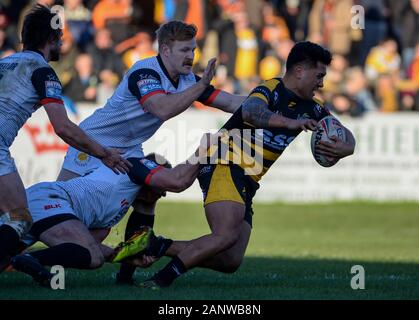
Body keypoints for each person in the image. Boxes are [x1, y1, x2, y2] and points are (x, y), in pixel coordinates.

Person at [136, 41, 356, 289]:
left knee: (230, 260)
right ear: (299, 71)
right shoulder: (271, 89)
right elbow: (251, 112)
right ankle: (160, 280)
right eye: (319, 76)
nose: (322, 83)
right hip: (224, 161)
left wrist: (346, 148)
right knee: (226, 234)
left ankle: (154, 244)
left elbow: (344, 133)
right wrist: (289, 123)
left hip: (248, 178)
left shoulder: (314, 108)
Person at [0, 5, 130, 272]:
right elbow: (63, 128)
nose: (63, 42)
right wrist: (104, 154)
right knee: (19, 219)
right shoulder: (43, 71)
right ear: (50, 39)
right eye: (60, 37)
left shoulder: (4, 62)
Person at [8, 133, 216, 287]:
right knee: (92, 256)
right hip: (50, 200)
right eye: (160, 189)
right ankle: (32, 259)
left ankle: (23, 258)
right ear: (151, 177)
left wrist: (124, 268)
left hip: (38, 205)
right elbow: (175, 182)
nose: (163, 195)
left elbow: (135, 239)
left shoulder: (121, 207)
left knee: (89, 252)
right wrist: (202, 152)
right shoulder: (133, 166)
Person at [57, 20, 246, 183]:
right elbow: (161, 109)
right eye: (185, 50)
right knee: (62, 201)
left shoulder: (189, 80)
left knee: (134, 198)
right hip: (94, 141)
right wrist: (202, 84)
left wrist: (268, 95)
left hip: (130, 150)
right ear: (165, 50)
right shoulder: (144, 72)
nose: (191, 56)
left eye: (193, 50)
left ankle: (140, 228)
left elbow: (230, 102)